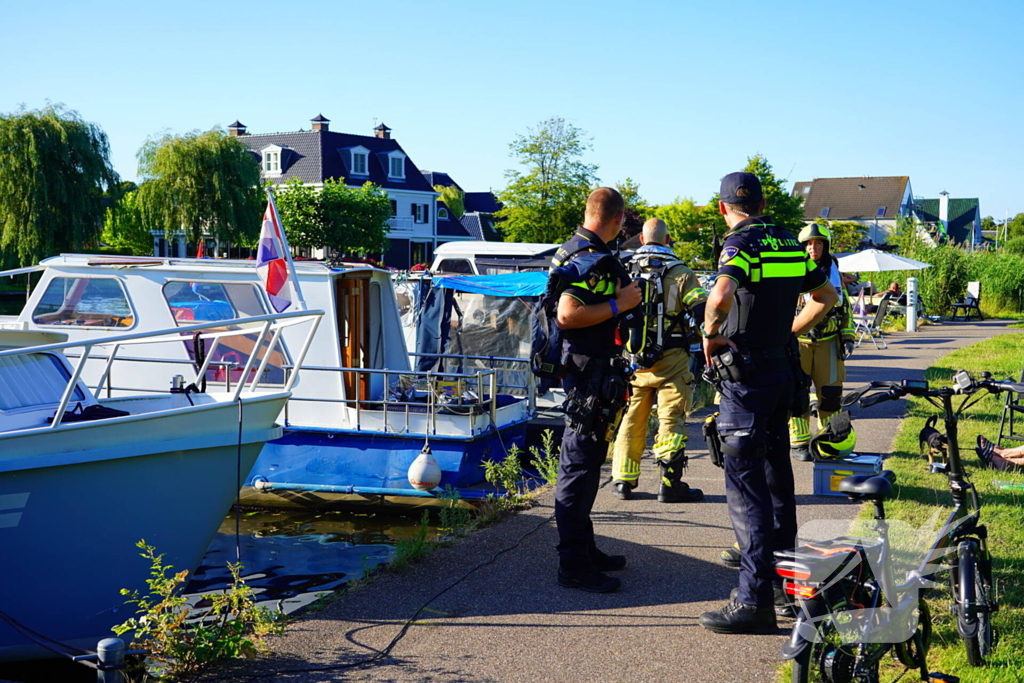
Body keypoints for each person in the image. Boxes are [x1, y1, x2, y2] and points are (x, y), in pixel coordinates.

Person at [698, 172, 838, 634]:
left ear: (725, 208)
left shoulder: (741, 243)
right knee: (779, 478)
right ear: (761, 202)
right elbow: (827, 295)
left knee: (745, 486)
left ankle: (752, 600)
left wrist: (710, 338)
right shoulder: (789, 241)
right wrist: (790, 333)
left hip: (747, 378)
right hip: (782, 372)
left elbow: (720, 296)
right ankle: (782, 588)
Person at [551, 187, 641, 593]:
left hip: (583, 371)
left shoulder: (569, 248)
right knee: (579, 469)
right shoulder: (592, 260)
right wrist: (619, 304)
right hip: (588, 376)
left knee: (586, 467)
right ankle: (573, 564)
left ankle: (584, 549)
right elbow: (568, 315)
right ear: (618, 219)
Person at [612, 218, 708, 503]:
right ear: (668, 241)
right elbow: (702, 310)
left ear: (642, 240)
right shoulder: (681, 272)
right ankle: (670, 484)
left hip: (634, 359)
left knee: (631, 417)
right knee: (671, 418)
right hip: (672, 359)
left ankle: (623, 481)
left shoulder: (624, 270)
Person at [789, 223, 856, 462]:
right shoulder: (792, 271)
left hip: (829, 342)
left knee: (830, 393)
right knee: (797, 393)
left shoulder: (834, 272)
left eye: (818, 243)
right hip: (799, 343)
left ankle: (829, 439)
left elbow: (845, 307)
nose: (813, 248)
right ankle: (799, 442)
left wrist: (848, 337)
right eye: (808, 244)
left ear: (825, 247)